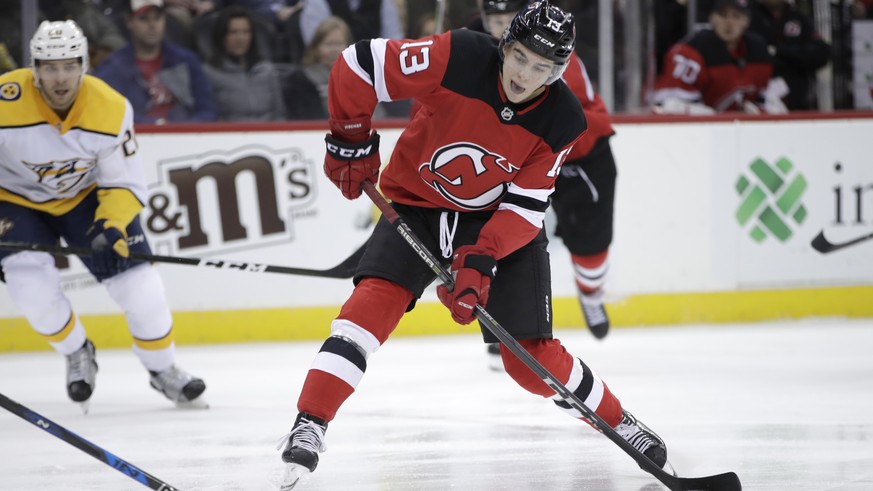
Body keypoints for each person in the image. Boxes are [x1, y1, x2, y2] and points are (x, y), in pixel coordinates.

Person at [275, 3, 669, 488]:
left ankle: (620, 420)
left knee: (530, 360)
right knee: (366, 311)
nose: (525, 74)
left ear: (559, 71)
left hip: (497, 223)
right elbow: (359, 65)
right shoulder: (457, 54)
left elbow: (525, 209)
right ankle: (310, 423)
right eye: (521, 57)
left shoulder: (563, 117)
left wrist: (480, 259)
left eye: (542, 67)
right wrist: (349, 138)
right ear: (506, 45)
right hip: (417, 205)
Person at [0, 20, 206, 413]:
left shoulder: (110, 109)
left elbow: (124, 184)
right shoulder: (5, 99)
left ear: (84, 65)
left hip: (87, 199)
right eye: (49, 66)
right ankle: (77, 352)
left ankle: (164, 371)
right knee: (29, 284)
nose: (60, 77)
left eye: (69, 66)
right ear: (34, 68)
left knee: (143, 288)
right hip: (14, 200)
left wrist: (110, 225)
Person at [475, 0, 618, 367]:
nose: (500, 26)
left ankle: (590, 293)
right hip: (515, 164)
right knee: (502, 241)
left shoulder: (558, 61)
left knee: (591, 241)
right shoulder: (476, 59)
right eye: (495, 20)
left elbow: (585, 117)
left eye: (508, 19)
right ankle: (504, 328)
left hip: (578, 157)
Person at [653, 0, 788, 115]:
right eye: (723, 15)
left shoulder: (758, 50)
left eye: (736, 16)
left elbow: (771, 97)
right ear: (712, 18)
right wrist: (708, 116)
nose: (729, 23)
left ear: (747, 22)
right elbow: (669, 105)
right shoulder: (690, 51)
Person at [94, 0, 217, 124]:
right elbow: (109, 109)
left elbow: (207, 109)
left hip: (188, 137)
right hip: (136, 138)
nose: (152, 25)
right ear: (129, 22)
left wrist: (184, 129)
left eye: (157, 18)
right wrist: (154, 124)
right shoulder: (113, 66)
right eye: (144, 19)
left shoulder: (186, 61)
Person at [203, 5, 286, 121]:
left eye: (246, 32)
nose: (240, 38)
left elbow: (279, 114)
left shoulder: (266, 70)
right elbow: (210, 116)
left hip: (268, 135)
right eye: (233, 32)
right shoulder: (209, 73)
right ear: (222, 36)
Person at [747, 0, 831, 111]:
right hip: (759, 103)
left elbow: (821, 54)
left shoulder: (799, 17)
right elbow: (754, 56)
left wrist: (778, 51)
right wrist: (796, 58)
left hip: (799, 103)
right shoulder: (749, 17)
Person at [283, 16, 352, 120]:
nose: (334, 50)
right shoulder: (300, 81)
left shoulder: (362, 78)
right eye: (328, 44)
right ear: (316, 48)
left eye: (339, 44)